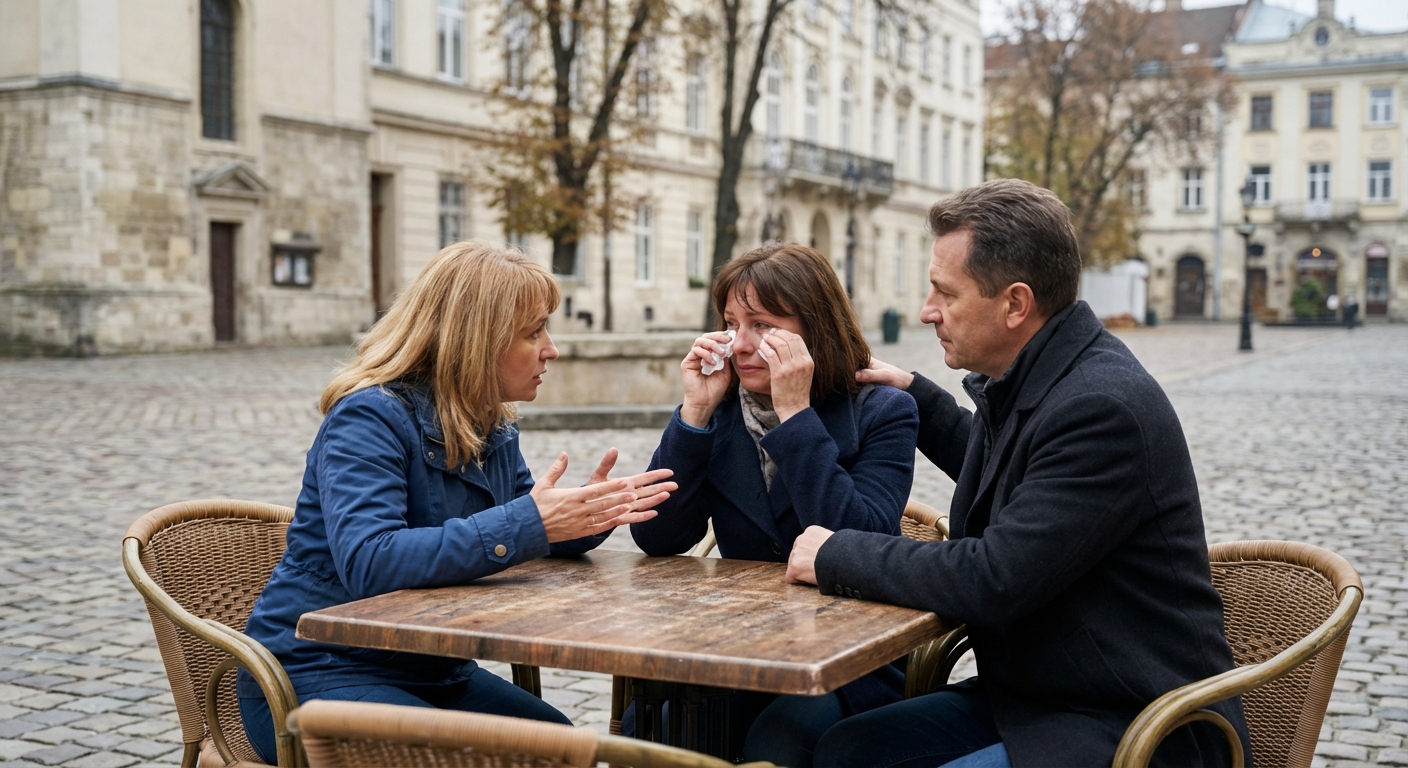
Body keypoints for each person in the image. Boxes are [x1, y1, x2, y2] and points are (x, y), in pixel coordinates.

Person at [783, 179, 1252, 768]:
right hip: (1041, 700)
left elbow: (993, 579)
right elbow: (1012, 468)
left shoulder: (1100, 406)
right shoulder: (1048, 376)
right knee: (847, 750)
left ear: (1014, 304)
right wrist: (915, 394)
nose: (928, 312)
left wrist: (835, 554)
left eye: (945, 294)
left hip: (1135, 725)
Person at [237, 241, 677, 763]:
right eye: (534, 332)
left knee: (559, 745)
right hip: (318, 673)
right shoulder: (369, 417)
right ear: (478, 340)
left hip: (432, 668)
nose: (551, 349)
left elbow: (525, 520)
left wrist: (582, 511)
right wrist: (531, 519)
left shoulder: (489, 420)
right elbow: (370, 560)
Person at [631, 242, 919, 761]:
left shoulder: (883, 412)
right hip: (739, 649)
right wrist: (694, 412)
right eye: (731, 323)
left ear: (814, 328)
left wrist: (795, 414)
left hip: (845, 662)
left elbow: (861, 538)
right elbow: (657, 538)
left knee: (784, 734)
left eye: (762, 325)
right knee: (649, 724)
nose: (741, 344)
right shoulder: (719, 410)